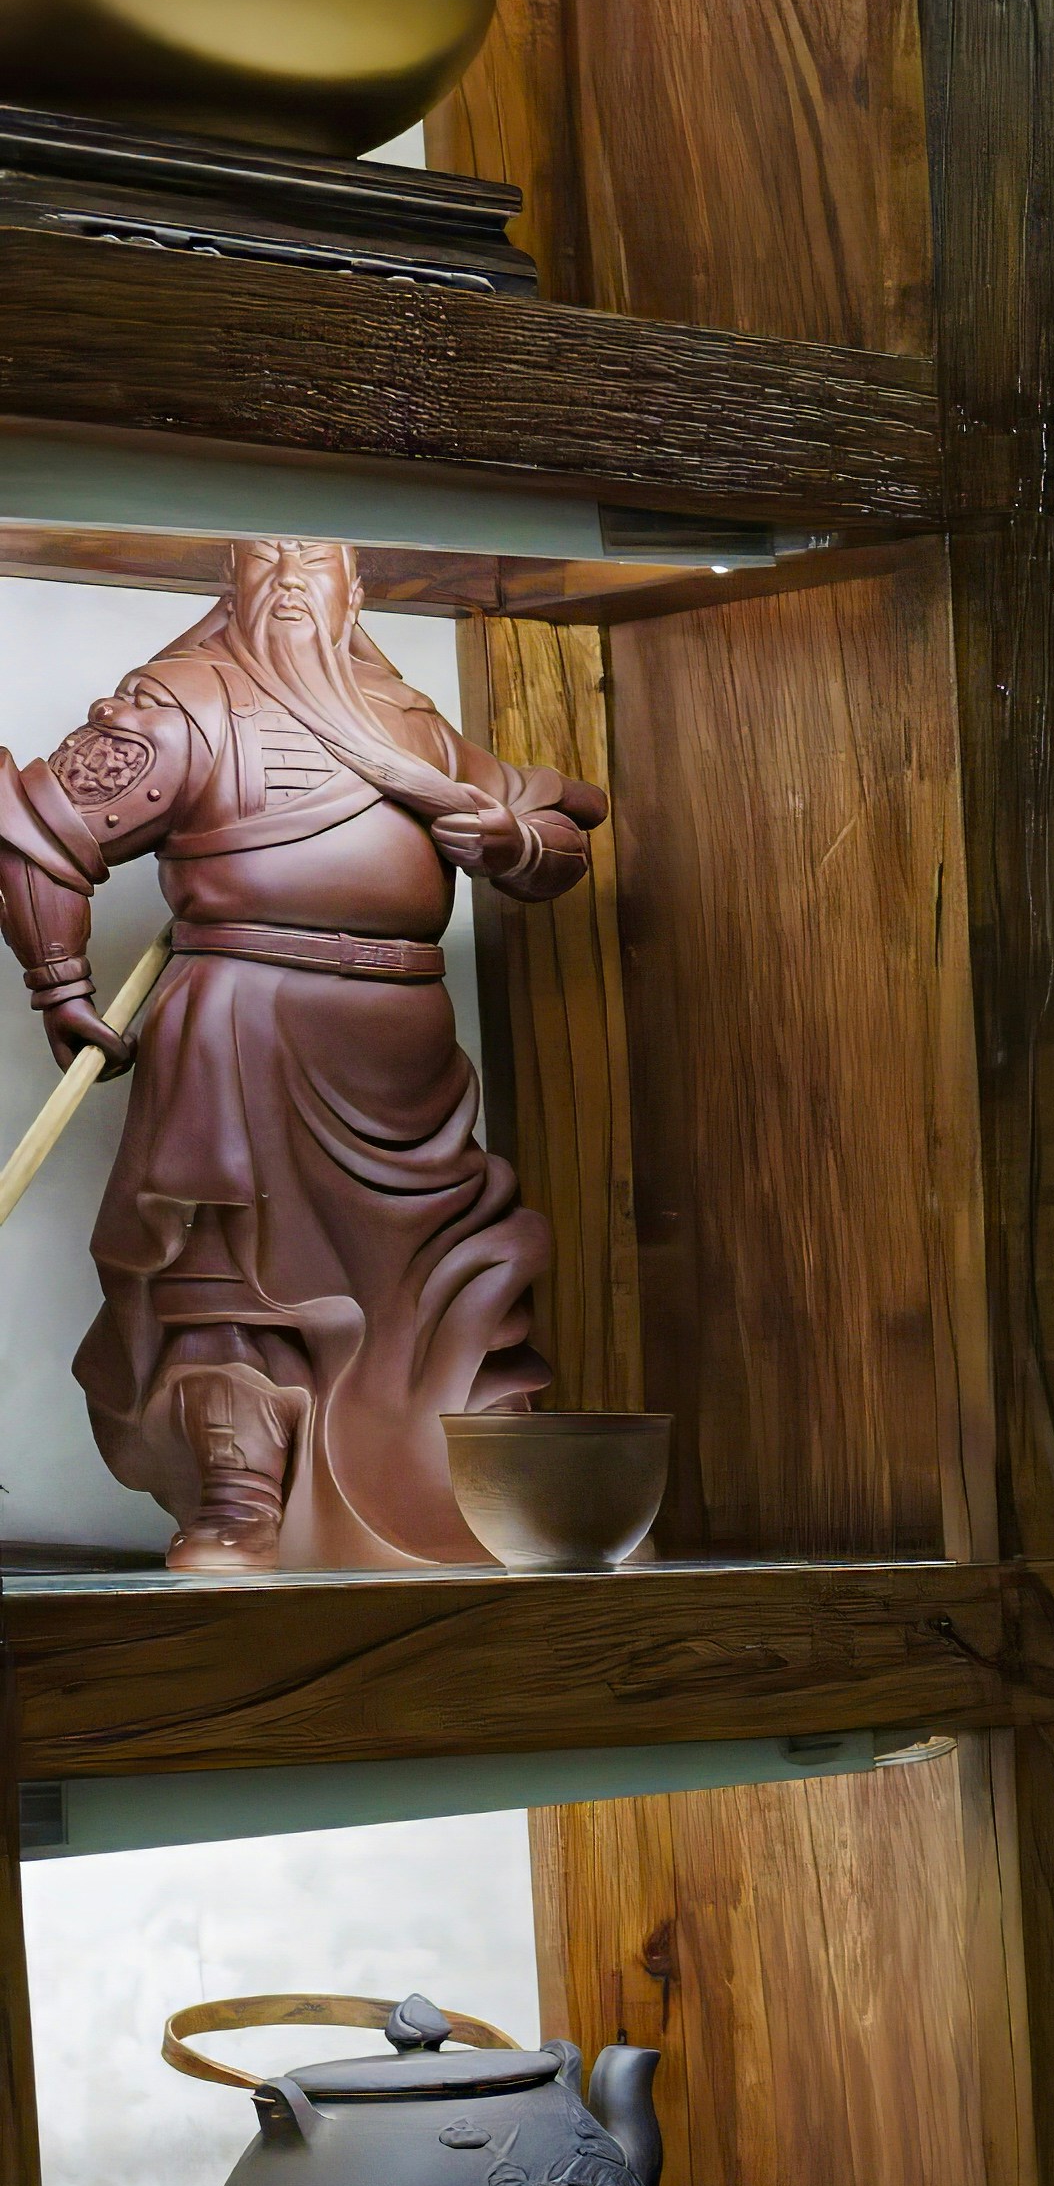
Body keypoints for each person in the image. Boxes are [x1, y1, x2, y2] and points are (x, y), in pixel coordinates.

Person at [0, 538, 606, 1571]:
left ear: (355, 587)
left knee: (430, 1274)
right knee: (225, 1273)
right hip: (244, 1023)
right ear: (228, 583)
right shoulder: (183, 702)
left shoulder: (407, 717)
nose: (288, 575)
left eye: (312, 556)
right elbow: (36, 829)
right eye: (265, 555)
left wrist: (510, 842)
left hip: (405, 1045)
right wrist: (58, 981)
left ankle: (467, 1487)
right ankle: (237, 1502)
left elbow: (561, 824)